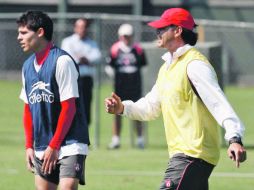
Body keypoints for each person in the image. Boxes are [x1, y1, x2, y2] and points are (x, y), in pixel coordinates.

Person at [105, 8, 247, 190]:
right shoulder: (167, 68)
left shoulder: (195, 65)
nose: (158, 32)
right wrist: (123, 108)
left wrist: (234, 138)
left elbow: (219, 103)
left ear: (178, 30)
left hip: (192, 156)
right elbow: (150, 107)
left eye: (163, 28)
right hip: (185, 157)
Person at [17, 11, 90, 190]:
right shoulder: (27, 67)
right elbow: (28, 109)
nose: (19, 37)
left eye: (24, 33)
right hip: (43, 144)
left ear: (40, 32)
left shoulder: (62, 61)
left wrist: (54, 145)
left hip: (70, 142)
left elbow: (69, 108)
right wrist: (29, 145)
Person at [106, 23, 147, 149]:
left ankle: (140, 139)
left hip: (135, 85)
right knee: (117, 112)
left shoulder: (138, 49)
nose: (126, 38)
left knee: (137, 111)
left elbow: (144, 67)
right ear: (120, 36)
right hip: (120, 86)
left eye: (128, 36)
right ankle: (116, 139)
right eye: (124, 36)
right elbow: (109, 67)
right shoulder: (115, 49)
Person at [61, 18, 101, 127]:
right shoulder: (68, 41)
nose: (82, 30)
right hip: (72, 80)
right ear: (75, 28)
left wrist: (85, 59)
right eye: (80, 27)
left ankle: (83, 135)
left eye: (84, 27)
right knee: (71, 107)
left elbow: (97, 57)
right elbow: (68, 57)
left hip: (86, 80)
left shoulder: (91, 43)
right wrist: (82, 60)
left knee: (86, 107)